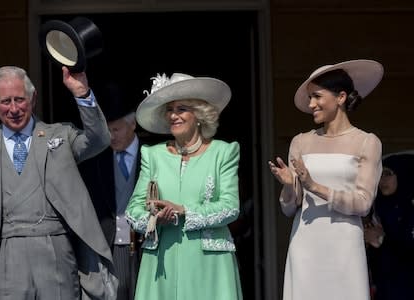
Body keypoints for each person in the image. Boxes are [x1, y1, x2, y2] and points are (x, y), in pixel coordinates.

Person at [0, 65, 118, 300]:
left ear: (33, 99)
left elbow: (99, 140)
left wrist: (82, 95)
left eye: (20, 99)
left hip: (56, 253)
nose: (14, 109)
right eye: (5, 102)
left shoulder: (59, 136)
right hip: (5, 257)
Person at [268, 59, 383, 300]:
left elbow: (363, 204)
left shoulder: (366, 142)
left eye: (317, 96)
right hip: (305, 244)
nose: (311, 104)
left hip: (344, 245)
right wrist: (290, 186)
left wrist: (315, 186)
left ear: (340, 97)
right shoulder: (300, 141)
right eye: (310, 97)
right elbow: (289, 208)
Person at [125, 73, 243, 300]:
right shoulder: (153, 155)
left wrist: (184, 211)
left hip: (209, 263)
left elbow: (230, 207)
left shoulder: (224, 152)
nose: (173, 115)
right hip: (162, 263)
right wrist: (154, 220)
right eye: (169, 110)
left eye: (181, 109)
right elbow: (132, 212)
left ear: (199, 114)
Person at [78, 82, 142, 300]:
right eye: (107, 129)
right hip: (109, 246)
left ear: (132, 124)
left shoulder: (154, 155)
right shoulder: (95, 160)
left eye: (116, 129)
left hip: (148, 246)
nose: (111, 136)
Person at [364, 153, 414, 300]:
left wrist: (382, 240)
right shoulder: (379, 207)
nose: (382, 180)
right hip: (386, 288)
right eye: (380, 174)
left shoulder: (410, 208)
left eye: (388, 174)